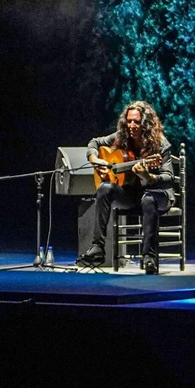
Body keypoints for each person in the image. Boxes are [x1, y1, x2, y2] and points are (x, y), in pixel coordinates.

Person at [77, 101, 175, 273]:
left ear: (146, 123)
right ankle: (98, 248)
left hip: (159, 195)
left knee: (148, 199)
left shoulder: (161, 144)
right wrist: (95, 159)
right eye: (129, 121)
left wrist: (149, 176)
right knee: (105, 188)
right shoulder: (121, 137)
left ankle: (149, 257)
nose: (132, 126)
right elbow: (94, 143)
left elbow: (169, 179)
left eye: (136, 122)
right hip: (133, 194)